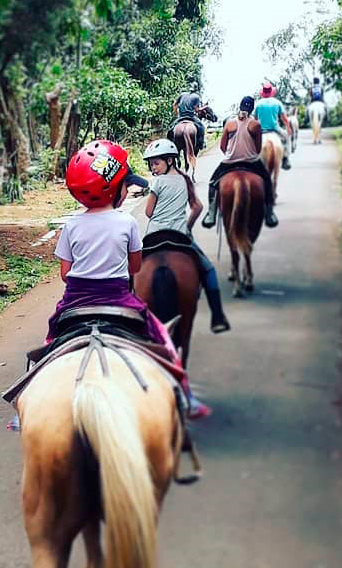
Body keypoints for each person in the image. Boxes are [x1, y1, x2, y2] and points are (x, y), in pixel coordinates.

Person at [48, 139, 210, 418]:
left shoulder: (71, 225)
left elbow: (65, 273)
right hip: (118, 297)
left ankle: (27, 400)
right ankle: (184, 392)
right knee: (162, 336)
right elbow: (135, 267)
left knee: (51, 338)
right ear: (115, 190)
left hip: (74, 300)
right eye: (125, 184)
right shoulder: (126, 222)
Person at [141, 138, 230, 334]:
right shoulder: (185, 180)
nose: (153, 168)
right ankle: (217, 315)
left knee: (130, 271)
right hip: (179, 235)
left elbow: (148, 212)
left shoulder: (157, 182)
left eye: (156, 163)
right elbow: (197, 207)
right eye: (151, 164)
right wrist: (187, 226)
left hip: (153, 236)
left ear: (170, 161)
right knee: (208, 270)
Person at [202, 96, 279, 229]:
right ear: (252, 108)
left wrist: (231, 153)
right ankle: (269, 214)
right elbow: (258, 148)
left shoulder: (230, 123)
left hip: (229, 162)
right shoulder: (255, 124)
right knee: (267, 180)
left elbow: (222, 146)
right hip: (251, 162)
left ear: (240, 107)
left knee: (213, 183)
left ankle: (211, 214)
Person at [254, 81, 292, 169]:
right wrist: (288, 128)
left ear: (263, 93)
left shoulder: (258, 104)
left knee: (251, 142)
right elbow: (284, 118)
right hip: (275, 129)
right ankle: (285, 159)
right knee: (286, 137)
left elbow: (255, 120)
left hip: (261, 130)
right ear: (271, 92)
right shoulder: (277, 103)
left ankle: (253, 160)